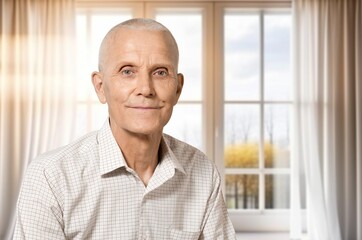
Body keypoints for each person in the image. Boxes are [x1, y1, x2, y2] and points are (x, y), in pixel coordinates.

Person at [13, 18, 236, 239]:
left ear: (177, 89)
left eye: (160, 72)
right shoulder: (50, 177)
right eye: (127, 71)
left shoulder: (204, 173)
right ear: (100, 87)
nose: (146, 89)